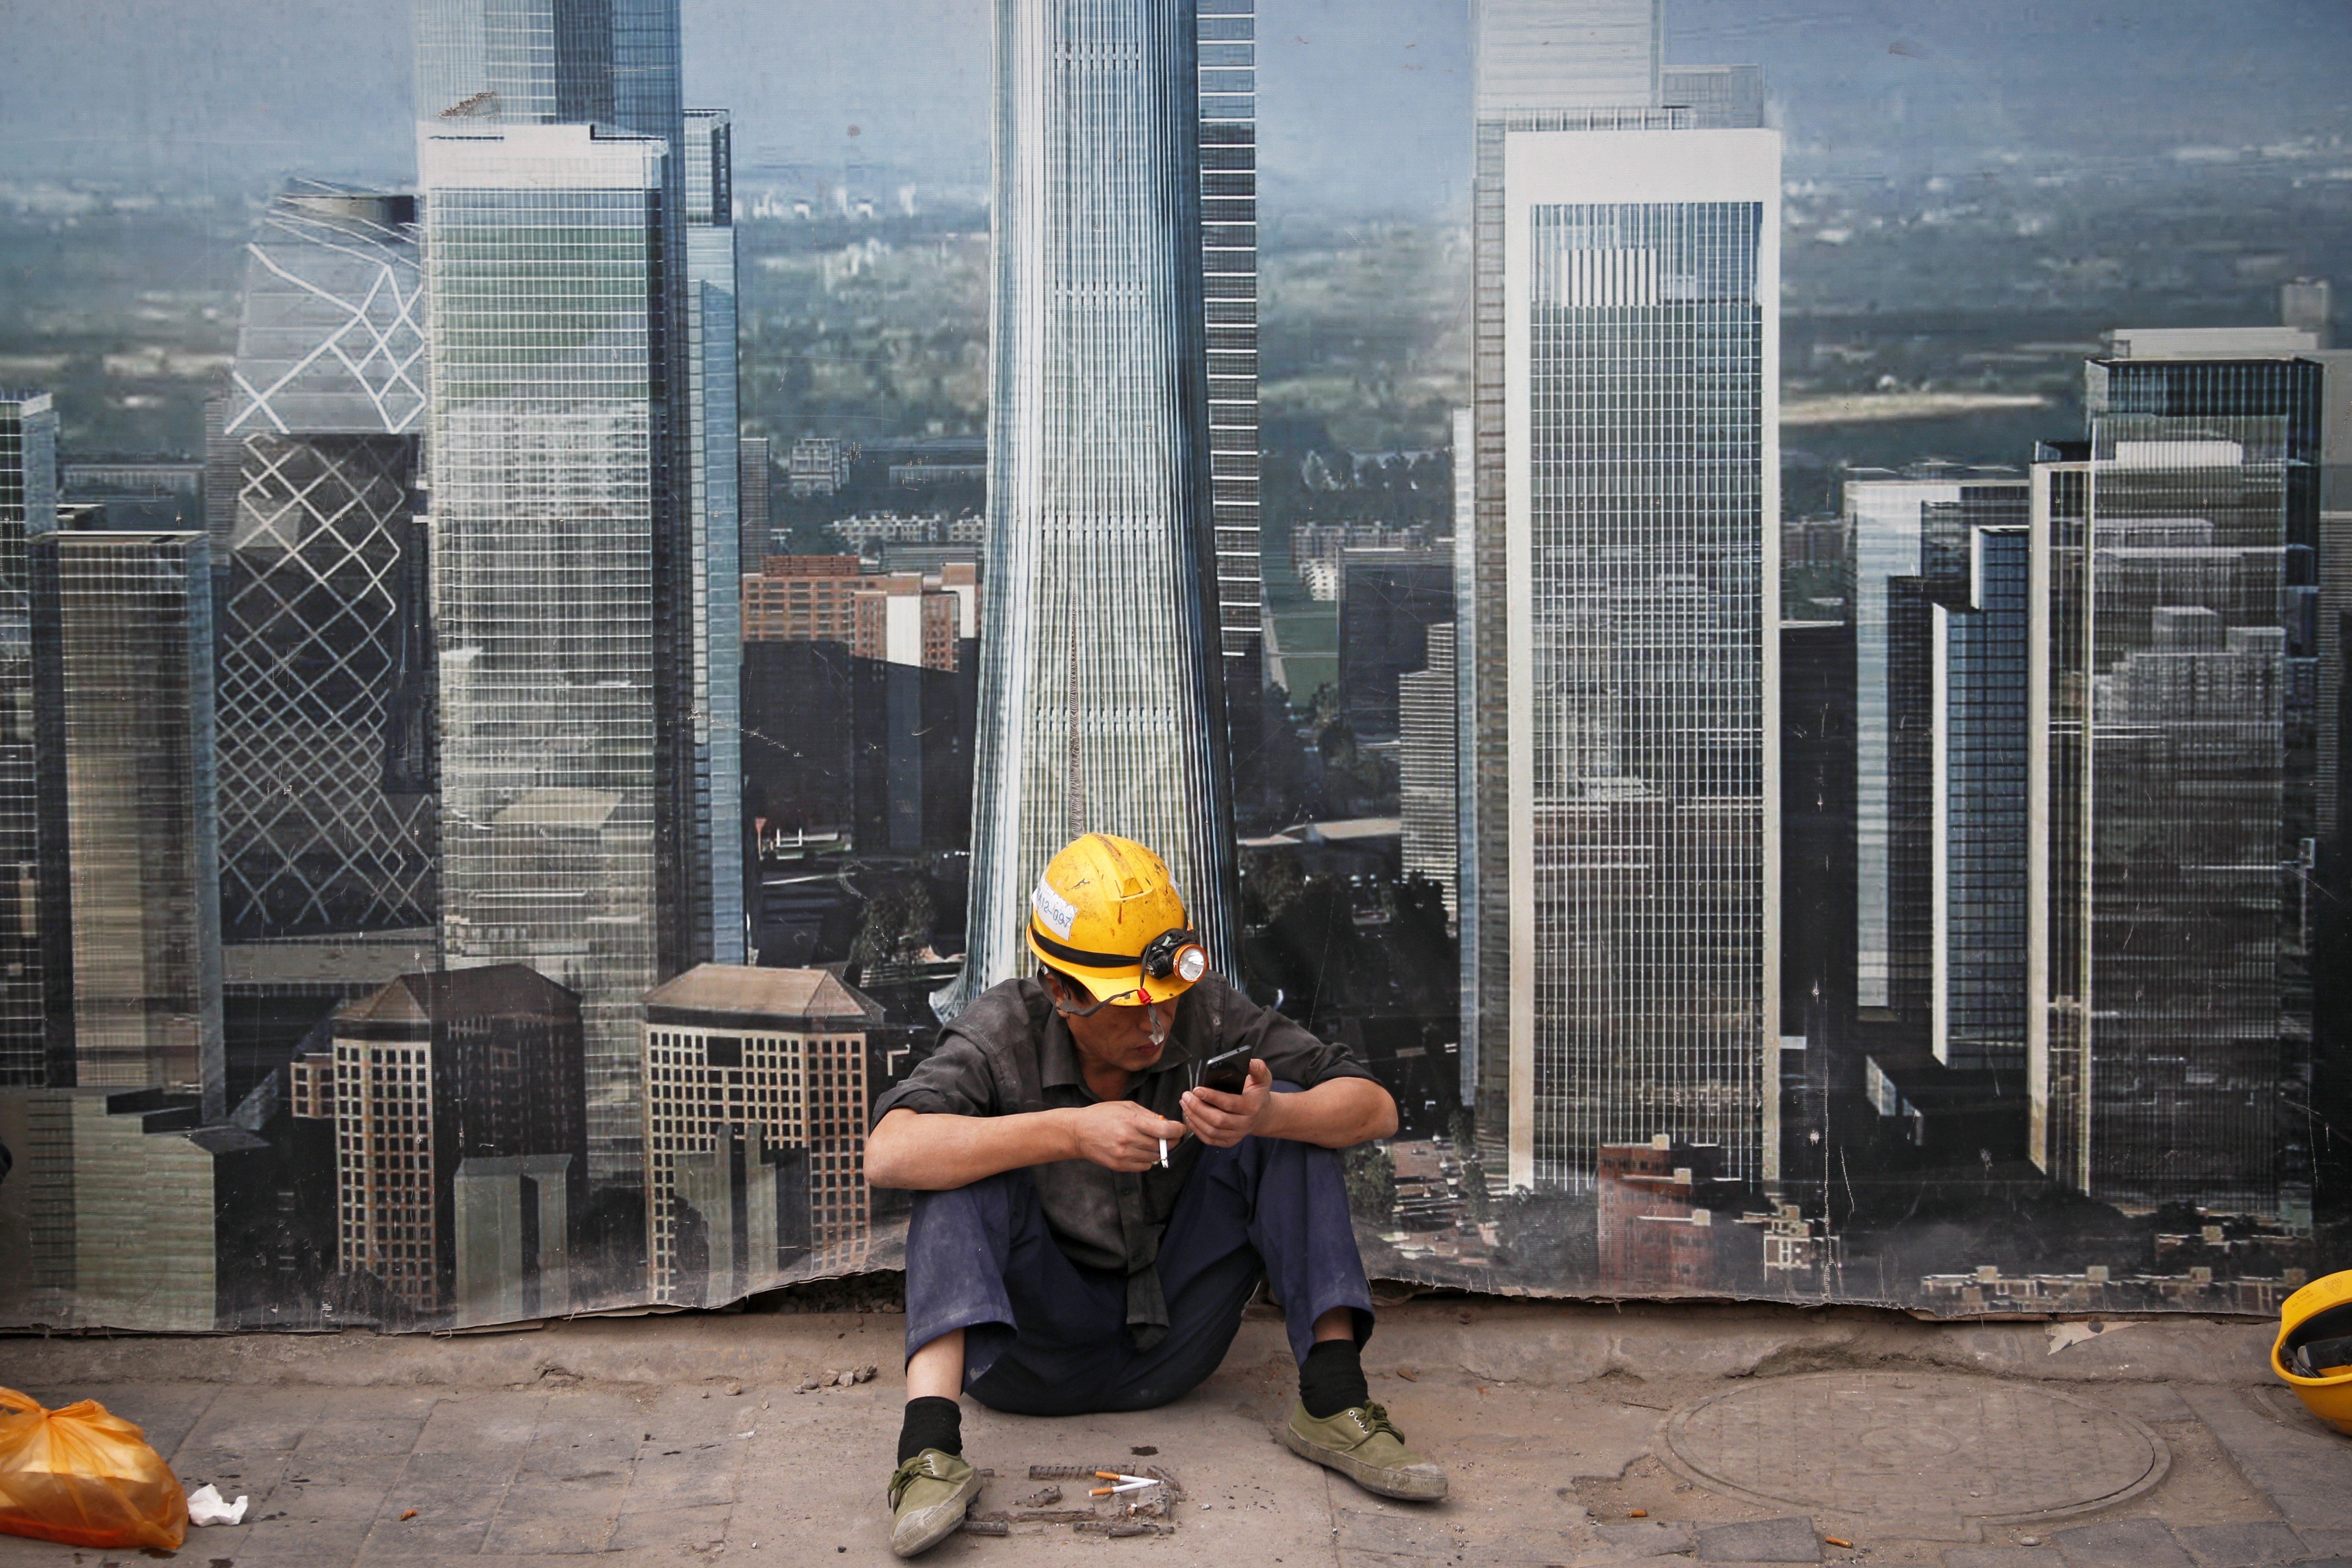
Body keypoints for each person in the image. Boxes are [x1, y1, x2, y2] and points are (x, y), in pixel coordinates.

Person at [864, 832, 1447, 1556]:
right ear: (1061, 991)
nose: (1154, 1024)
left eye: (1165, 1001)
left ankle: (1334, 1399)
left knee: (1294, 1113)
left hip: (1175, 1341)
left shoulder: (1206, 1013)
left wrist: (1267, 1115)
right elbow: (889, 1152)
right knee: (957, 1160)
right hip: (1028, 1355)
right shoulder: (1002, 1031)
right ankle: (926, 1450)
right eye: (1128, 1007)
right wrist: (1069, 1132)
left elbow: (1376, 1108)